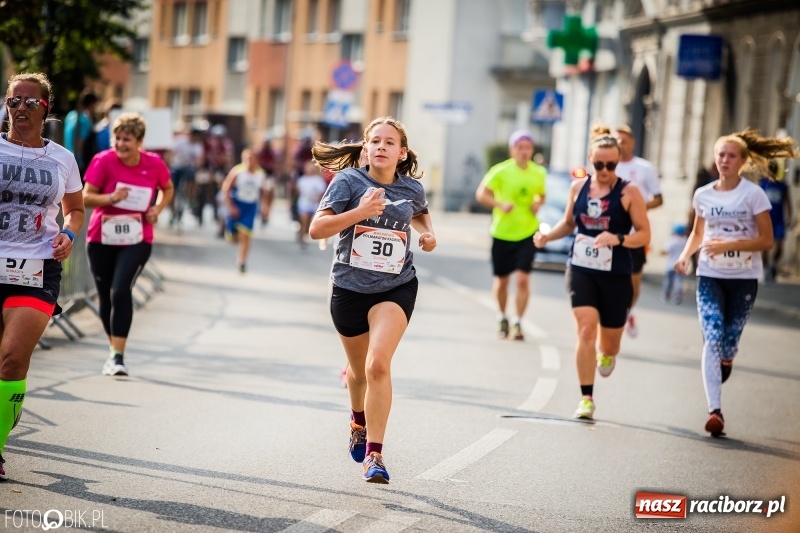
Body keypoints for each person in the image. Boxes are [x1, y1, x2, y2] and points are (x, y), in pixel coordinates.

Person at [309, 116, 436, 483]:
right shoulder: (348, 182)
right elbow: (316, 228)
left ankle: (375, 456)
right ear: (365, 149)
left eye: (389, 142)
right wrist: (360, 213)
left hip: (395, 287)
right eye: (375, 141)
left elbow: (422, 219)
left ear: (402, 152)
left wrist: (428, 236)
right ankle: (357, 420)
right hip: (348, 289)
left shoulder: (411, 188)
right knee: (357, 371)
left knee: (377, 364)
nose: (381, 146)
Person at [675, 129, 797, 437]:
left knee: (728, 341)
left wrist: (732, 246)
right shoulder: (703, 194)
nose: (725, 160)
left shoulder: (752, 194)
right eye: (721, 155)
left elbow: (766, 240)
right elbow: (699, 234)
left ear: (742, 161)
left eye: (731, 156)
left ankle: (726, 359)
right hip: (709, 276)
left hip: (743, 279)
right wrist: (685, 255)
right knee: (712, 335)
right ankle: (714, 411)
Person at [0, 73, 85, 480]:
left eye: (30, 103)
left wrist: (68, 233)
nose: (21, 109)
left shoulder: (62, 158)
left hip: (37, 267)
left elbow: (76, 210)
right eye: (14, 101)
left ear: (45, 110)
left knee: (13, 358)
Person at [534, 125, 650, 420]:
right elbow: (569, 224)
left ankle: (608, 352)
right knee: (586, 329)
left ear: (619, 161)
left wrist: (619, 238)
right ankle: (586, 398)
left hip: (617, 272)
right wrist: (548, 236)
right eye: (599, 164)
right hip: (582, 268)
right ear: (590, 160)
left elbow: (645, 235)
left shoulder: (629, 192)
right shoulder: (579, 188)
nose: (605, 170)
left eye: (611, 164)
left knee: (609, 342)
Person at [82, 113, 174, 377]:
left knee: (120, 290)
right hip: (102, 237)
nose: (120, 144)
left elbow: (167, 188)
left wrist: (157, 208)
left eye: (127, 139)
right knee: (105, 297)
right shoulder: (103, 161)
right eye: (117, 138)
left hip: (137, 238)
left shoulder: (154, 164)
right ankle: (114, 349)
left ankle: (118, 357)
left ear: (140, 142)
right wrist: (111, 197)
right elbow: (85, 198)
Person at [475, 130, 547, 341]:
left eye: (527, 148)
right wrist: (499, 204)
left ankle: (518, 322)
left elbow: (542, 195)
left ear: (532, 150)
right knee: (502, 281)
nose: (524, 152)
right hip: (502, 233)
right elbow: (481, 194)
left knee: (523, 280)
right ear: (512, 150)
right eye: (520, 148)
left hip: (527, 232)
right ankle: (502, 316)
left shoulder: (539, 173)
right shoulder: (500, 171)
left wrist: (538, 203)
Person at [614, 125, 663, 338]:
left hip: (636, 233)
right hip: (612, 233)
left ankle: (628, 310)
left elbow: (659, 198)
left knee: (634, 280)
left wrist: (638, 209)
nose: (620, 145)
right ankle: (612, 314)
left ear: (633, 143)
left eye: (624, 141)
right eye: (617, 141)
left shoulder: (643, 168)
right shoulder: (608, 166)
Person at [221, 148, 269, 273]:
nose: (250, 162)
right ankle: (232, 234)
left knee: (246, 235)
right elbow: (226, 189)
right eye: (247, 159)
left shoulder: (260, 174)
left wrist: (265, 207)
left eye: (252, 159)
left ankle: (242, 262)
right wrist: (230, 206)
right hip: (237, 204)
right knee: (232, 238)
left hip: (250, 207)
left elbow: (264, 193)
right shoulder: (237, 172)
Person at [759, 159, 792, 282]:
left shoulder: (782, 185)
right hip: (765, 219)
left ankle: (773, 265)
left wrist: (789, 215)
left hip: (778, 219)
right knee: (765, 246)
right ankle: (766, 269)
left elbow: (787, 201)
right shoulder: (762, 184)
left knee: (779, 246)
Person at [169, 125, 205, 227]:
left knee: (193, 176)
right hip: (177, 166)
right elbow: (171, 153)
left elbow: (199, 159)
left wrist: (197, 166)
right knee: (171, 188)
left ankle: (190, 196)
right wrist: (169, 163)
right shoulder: (180, 141)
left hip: (189, 167)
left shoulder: (198, 145)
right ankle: (172, 210)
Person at [63, 90, 100, 177]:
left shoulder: (70, 115)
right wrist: (80, 162)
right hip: (78, 163)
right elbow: (80, 143)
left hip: (67, 158)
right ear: (92, 104)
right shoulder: (85, 120)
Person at [296, 160, 327, 249]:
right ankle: (302, 239)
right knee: (304, 221)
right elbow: (299, 191)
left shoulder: (318, 180)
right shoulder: (302, 179)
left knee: (310, 223)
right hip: (303, 203)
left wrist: (316, 198)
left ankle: (304, 234)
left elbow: (321, 192)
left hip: (313, 205)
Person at [661, 223, 688, 304]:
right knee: (678, 281)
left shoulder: (672, 240)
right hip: (680, 265)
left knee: (668, 282)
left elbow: (665, 251)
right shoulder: (685, 241)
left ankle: (666, 295)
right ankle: (678, 296)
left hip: (670, 265)